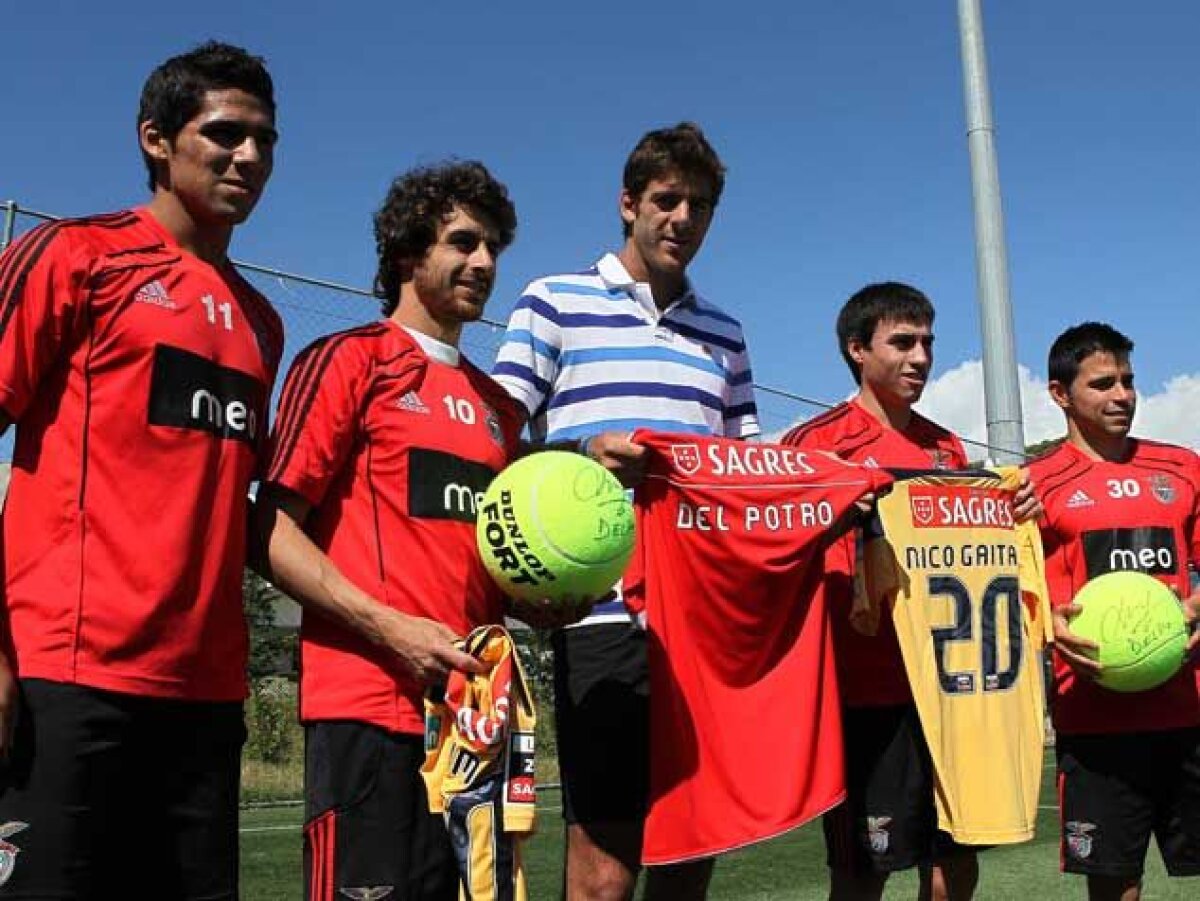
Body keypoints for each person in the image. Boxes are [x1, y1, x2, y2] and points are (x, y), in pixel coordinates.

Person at [0, 42, 281, 899]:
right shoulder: (74, 257)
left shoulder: (261, 322)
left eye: (266, 140)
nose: (249, 157)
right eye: (225, 133)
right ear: (157, 139)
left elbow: (243, 515)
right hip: (66, 677)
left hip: (204, 698)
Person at [492, 122, 758, 900]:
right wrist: (581, 454)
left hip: (701, 626)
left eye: (700, 206)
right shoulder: (553, 302)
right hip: (603, 616)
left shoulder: (726, 335)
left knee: (688, 861)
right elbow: (491, 436)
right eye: (667, 200)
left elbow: (745, 472)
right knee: (605, 875)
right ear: (627, 203)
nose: (683, 219)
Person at [252, 161, 528, 900]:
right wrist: (393, 629)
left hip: (475, 722)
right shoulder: (348, 361)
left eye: (493, 247)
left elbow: (498, 564)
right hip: (367, 705)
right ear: (408, 253)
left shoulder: (501, 407)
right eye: (464, 243)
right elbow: (272, 531)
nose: (484, 263)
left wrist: (550, 600)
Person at [782, 282, 1038, 901]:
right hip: (866, 690)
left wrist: (1017, 505)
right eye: (902, 342)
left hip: (953, 690)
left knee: (955, 861)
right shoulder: (815, 444)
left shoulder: (946, 449)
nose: (921, 357)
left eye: (927, 342)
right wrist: (833, 514)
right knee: (863, 870)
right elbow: (784, 555)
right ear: (856, 351)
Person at [1029, 322, 1200, 901]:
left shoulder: (1182, 468)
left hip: (1188, 707)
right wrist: (1044, 622)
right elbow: (1015, 589)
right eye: (1103, 383)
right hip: (1095, 719)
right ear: (1060, 394)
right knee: (1115, 886)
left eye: (1128, 380)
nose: (1122, 395)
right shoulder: (1036, 486)